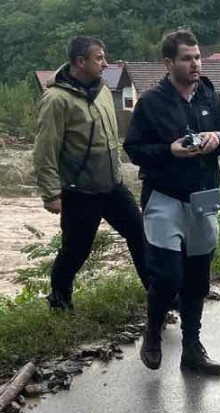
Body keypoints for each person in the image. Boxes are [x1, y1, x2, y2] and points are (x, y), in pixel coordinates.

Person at [122, 28, 220, 373]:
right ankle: (153, 332)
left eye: (198, 57)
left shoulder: (209, 97)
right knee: (169, 275)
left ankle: (192, 348)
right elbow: (133, 150)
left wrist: (218, 137)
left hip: (203, 199)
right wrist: (169, 151)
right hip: (164, 199)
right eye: (187, 58)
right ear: (169, 62)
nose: (195, 64)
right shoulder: (151, 103)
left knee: (198, 278)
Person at [33, 35, 149, 310]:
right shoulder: (56, 99)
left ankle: (160, 295)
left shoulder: (103, 91)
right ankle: (60, 301)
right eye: (99, 58)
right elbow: (44, 149)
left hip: (112, 186)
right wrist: (51, 194)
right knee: (75, 251)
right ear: (80, 61)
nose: (105, 63)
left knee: (140, 233)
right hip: (79, 191)